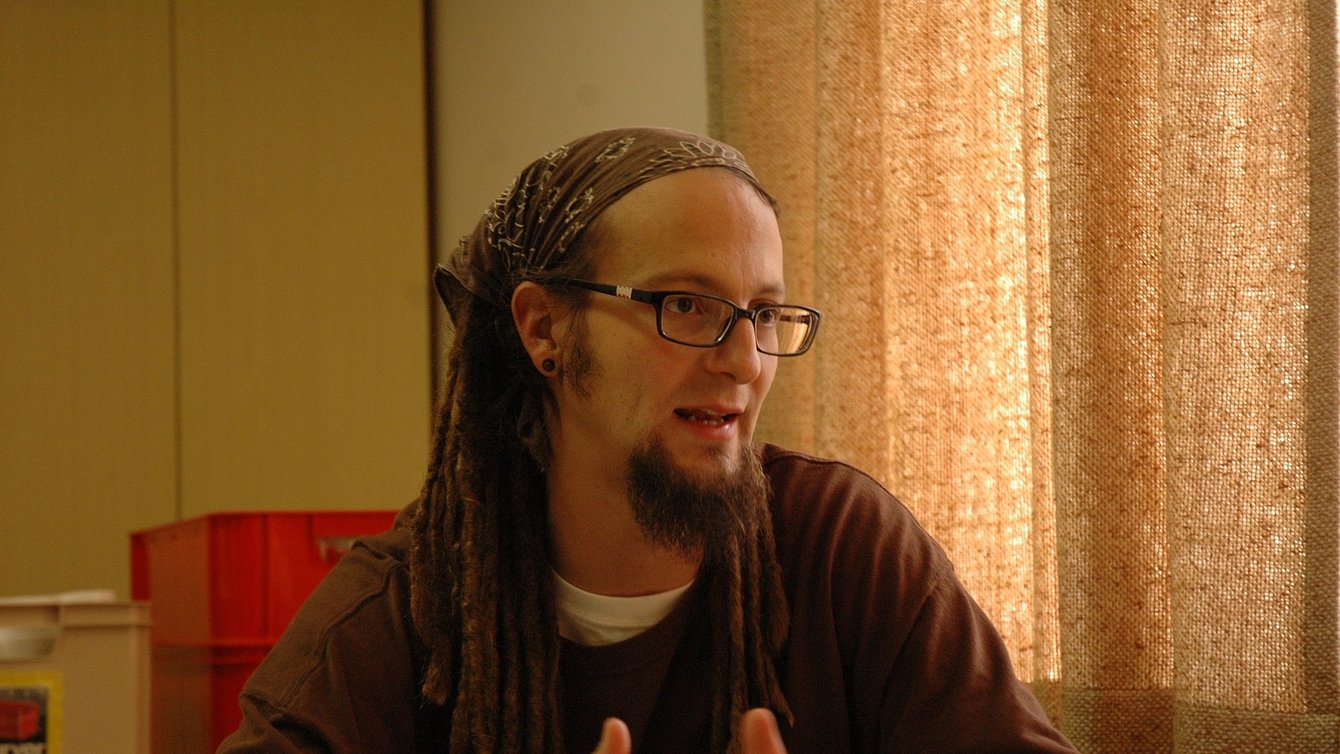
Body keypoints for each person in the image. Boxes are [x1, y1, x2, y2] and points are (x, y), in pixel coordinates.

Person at [217, 127, 1076, 754]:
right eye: (686, 306)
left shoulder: (842, 550)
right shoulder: (403, 616)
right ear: (544, 330)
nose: (744, 361)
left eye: (764, 313)